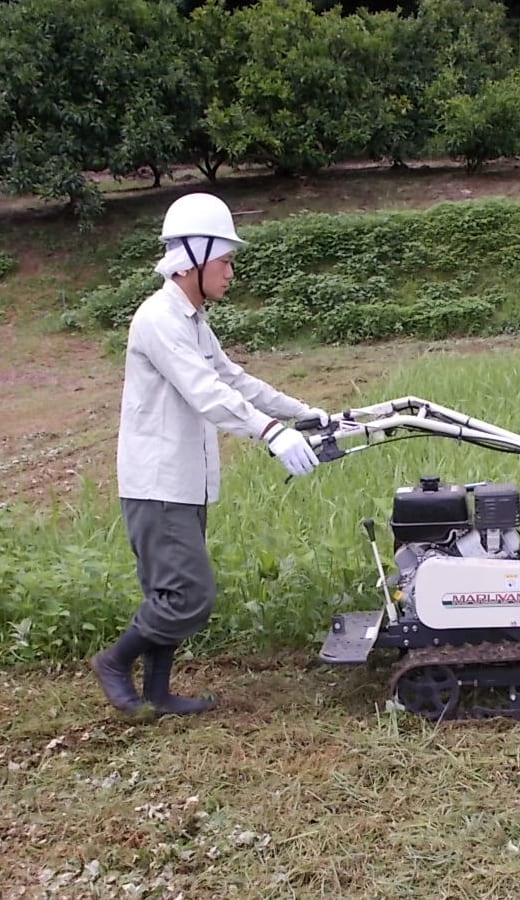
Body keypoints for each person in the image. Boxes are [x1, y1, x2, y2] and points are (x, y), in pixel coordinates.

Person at [90, 192, 328, 717]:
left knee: (168, 590)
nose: (230, 273)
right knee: (189, 595)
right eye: (224, 261)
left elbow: (233, 378)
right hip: (157, 483)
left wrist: (304, 413)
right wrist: (270, 432)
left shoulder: (193, 319)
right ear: (193, 258)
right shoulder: (159, 319)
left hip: (183, 481)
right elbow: (207, 393)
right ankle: (113, 662)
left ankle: (156, 693)